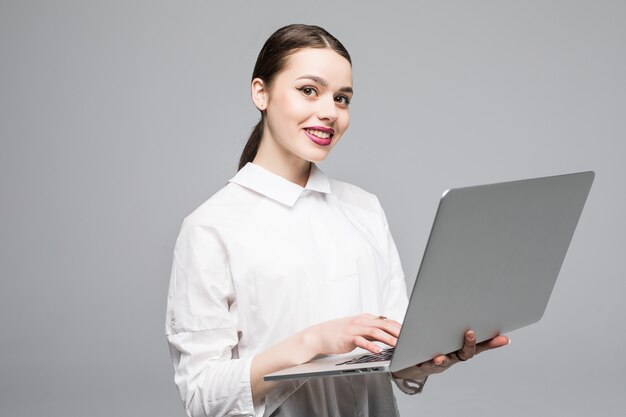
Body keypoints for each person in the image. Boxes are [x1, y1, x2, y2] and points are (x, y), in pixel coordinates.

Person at [165, 24, 509, 417]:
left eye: (341, 98)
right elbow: (201, 395)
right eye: (308, 90)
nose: (329, 112)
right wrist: (312, 341)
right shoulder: (210, 227)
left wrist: (430, 357)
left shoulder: (364, 208)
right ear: (261, 92)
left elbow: (392, 353)